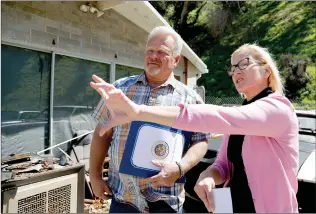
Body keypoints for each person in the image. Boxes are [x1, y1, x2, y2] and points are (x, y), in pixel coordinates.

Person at [90, 43, 299, 213]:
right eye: (233, 67)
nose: (236, 71)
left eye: (243, 64)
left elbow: (218, 117)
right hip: (229, 207)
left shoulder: (278, 109)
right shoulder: (244, 113)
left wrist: (138, 112)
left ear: (266, 70)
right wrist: (209, 174)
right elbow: (225, 165)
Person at [89, 26, 209, 213]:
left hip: (166, 202)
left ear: (176, 60)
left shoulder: (189, 98)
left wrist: (179, 168)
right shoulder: (120, 90)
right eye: (150, 51)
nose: (153, 56)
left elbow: (200, 141)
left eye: (161, 52)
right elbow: (101, 133)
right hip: (123, 199)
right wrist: (95, 176)